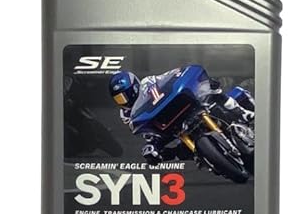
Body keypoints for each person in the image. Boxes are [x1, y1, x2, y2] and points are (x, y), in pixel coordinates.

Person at [108, 69, 253, 164]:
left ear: (134, 87)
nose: (123, 101)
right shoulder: (126, 114)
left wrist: (181, 76)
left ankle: (244, 113)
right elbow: (144, 132)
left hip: (177, 105)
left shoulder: (148, 82)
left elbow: (169, 77)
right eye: (118, 99)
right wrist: (153, 146)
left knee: (215, 91)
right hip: (167, 126)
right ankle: (203, 157)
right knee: (170, 151)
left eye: (123, 96)